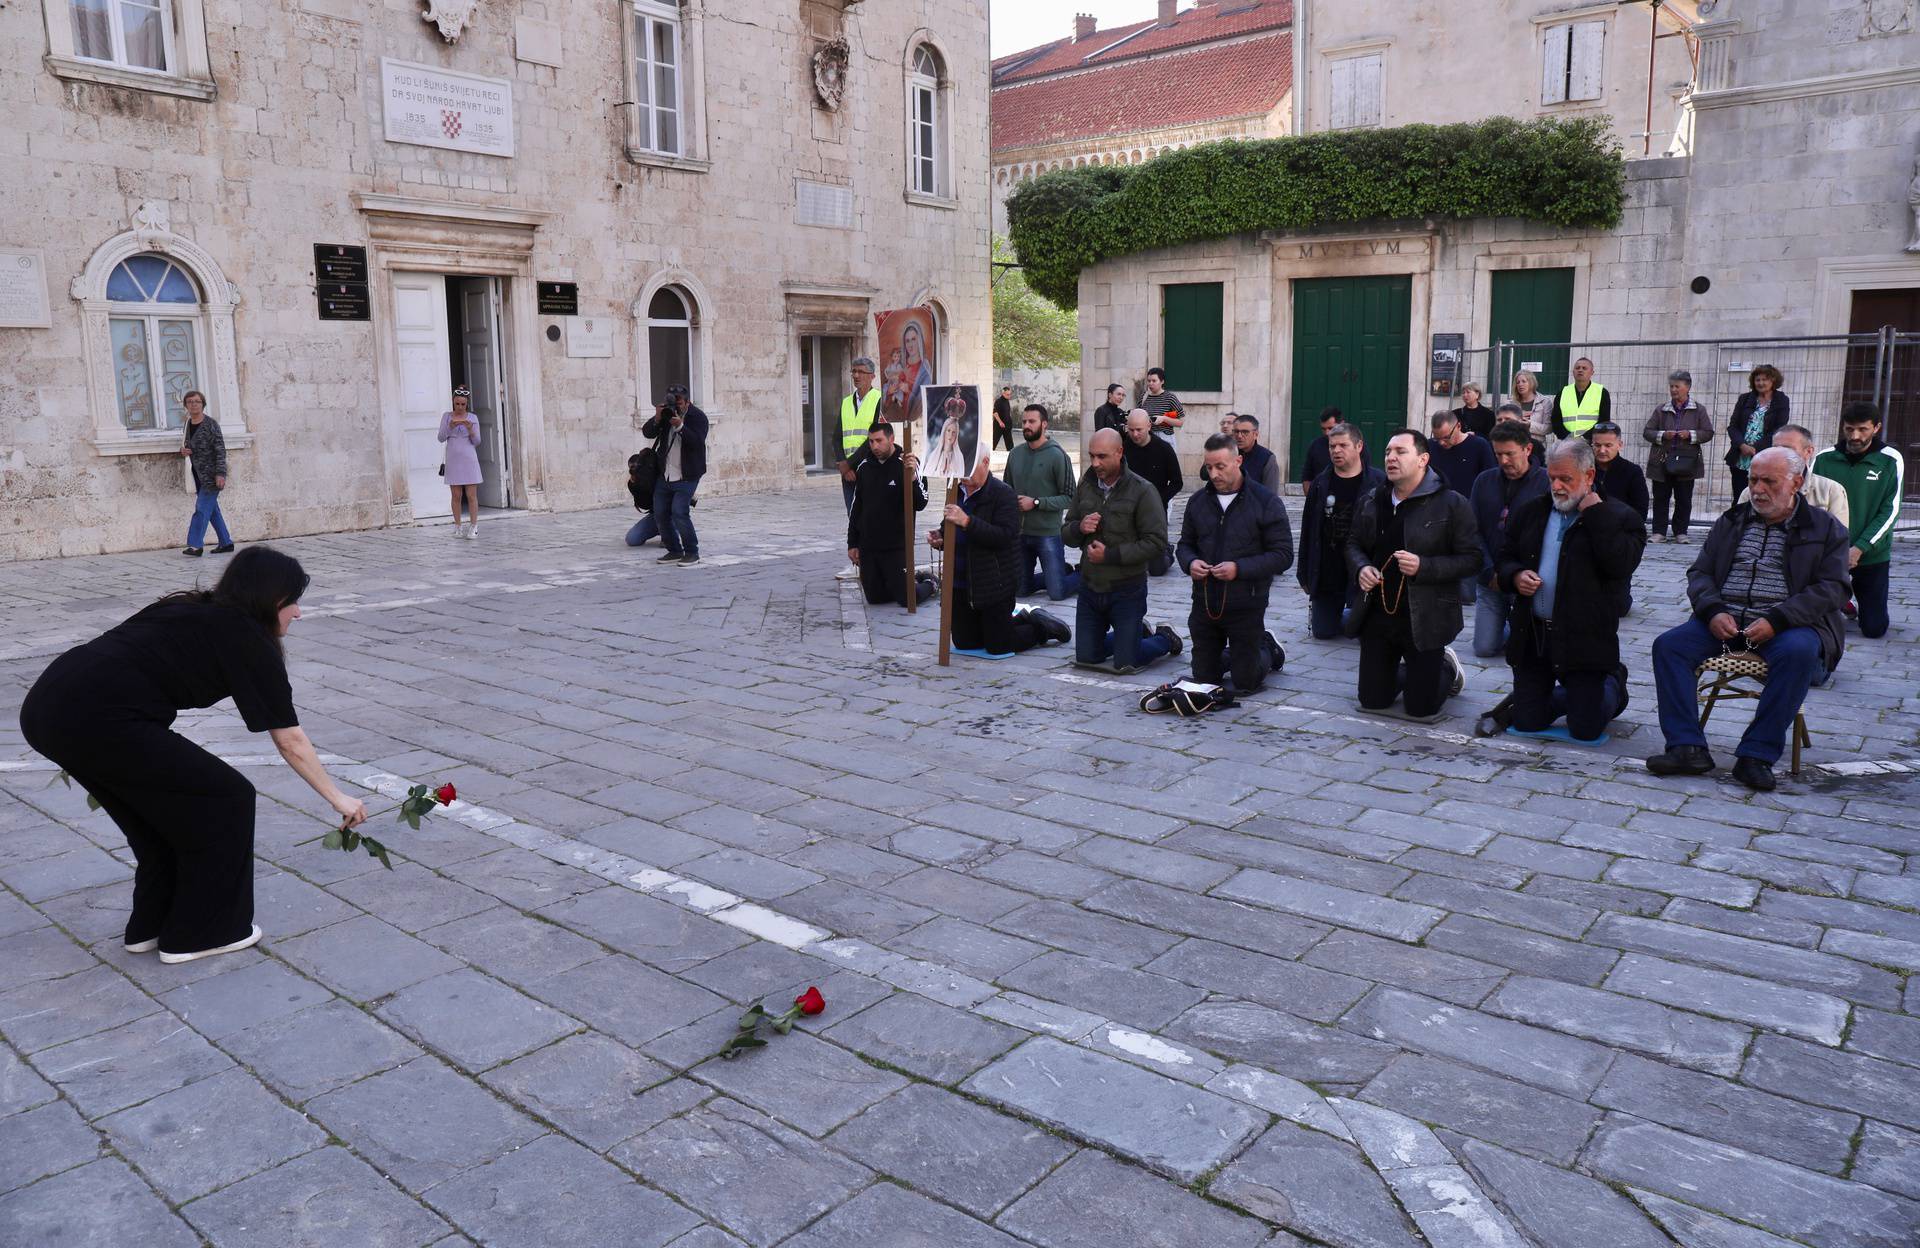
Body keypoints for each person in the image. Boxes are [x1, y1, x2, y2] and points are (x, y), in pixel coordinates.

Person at [18, 547, 368, 963]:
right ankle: (205, 932)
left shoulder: (187, 606)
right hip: (98, 719)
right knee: (228, 798)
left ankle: (151, 926)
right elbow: (289, 739)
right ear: (273, 600)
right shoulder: (245, 636)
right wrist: (337, 797)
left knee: (157, 820)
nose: (298, 613)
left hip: (48, 707)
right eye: (294, 602)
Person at [1647, 447, 1849, 791]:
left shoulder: (1824, 527)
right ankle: (1687, 747)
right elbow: (1700, 573)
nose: (1758, 489)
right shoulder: (1732, 520)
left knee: (1798, 653)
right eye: (1754, 480)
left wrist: (1779, 619)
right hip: (1725, 621)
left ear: (1797, 482)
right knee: (1669, 647)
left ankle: (1755, 756)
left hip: (1788, 626)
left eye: (1769, 481)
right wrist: (1712, 610)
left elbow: (1834, 588)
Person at [1493, 438, 1644, 743]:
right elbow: (1505, 557)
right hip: (1535, 638)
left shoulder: (1621, 517)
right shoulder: (1531, 511)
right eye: (1552, 478)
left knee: (1585, 730)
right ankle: (1565, 697)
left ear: (1589, 476)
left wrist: (1596, 515)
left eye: (1566, 479)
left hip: (1584, 641)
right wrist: (1516, 575)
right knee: (1526, 723)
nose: (1557, 486)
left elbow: (1620, 566)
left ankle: (1613, 682)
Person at [1346, 430, 1478, 717]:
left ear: (1423, 459)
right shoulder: (1372, 498)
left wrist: (1424, 566)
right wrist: (1361, 567)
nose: (1391, 458)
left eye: (1401, 452)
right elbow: (1354, 543)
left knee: (1421, 709)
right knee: (1372, 702)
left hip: (1426, 616)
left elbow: (1472, 559)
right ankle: (1409, 673)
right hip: (1378, 612)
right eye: (1388, 452)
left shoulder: (1452, 503)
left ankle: (1445, 667)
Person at [1177, 435, 1292, 693]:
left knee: (1245, 683)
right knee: (1206, 680)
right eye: (1209, 467)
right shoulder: (1197, 502)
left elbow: (1283, 554)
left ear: (1238, 460)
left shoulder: (1265, 501)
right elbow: (1184, 545)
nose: (1214, 474)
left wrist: (1239, 569)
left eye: (1221, 466)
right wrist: (1190, 563)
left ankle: (1267, 648)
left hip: (1246, 603)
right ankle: (1234, 655)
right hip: (1205, 601)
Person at [928, 454, 1071, 657]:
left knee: (998, 645)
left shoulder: (1003, 494)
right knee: (965, 643)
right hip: (961, 584)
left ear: (986, 462)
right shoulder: (955, 491)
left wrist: (968, 522)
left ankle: (1041, 628)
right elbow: (950, 527)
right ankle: (1017, 620)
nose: (965, 474)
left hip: (994, 583)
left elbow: (1004, 536)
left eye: (970, 466)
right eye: (962, 467)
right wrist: (940, 537)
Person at [1064, 428, 1179, 673]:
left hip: (1127, 589)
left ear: (1119, 453)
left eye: (1102, 456)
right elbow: (1066, 533)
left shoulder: (1142, 490)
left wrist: (1111, 555)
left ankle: (1164, 638)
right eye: (1091, 456)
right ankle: (1134, 633)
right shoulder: (1085, 485)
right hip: (1090, 587)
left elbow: (1156, 542)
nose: (1095, 463)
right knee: (1086, 658)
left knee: (1127, 662)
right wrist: (1079, 527)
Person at [1813, 401, 1902, 641]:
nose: (1855, 435)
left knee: (1874, 629)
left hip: (1871, 554)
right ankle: (1842, 598)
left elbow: (1890, 511)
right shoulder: (1823, 459)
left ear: (1876, 428)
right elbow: (1812, 505)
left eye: (1862, 429)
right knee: (1811, 620)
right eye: (1849, 429)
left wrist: (1860, 548)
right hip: (1829, 553)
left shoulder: (1891, 460)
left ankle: (1851, 597)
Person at [1468, 420, 1548, 658]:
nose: (1503, 461)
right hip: (1490, 578)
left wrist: (1518, 576)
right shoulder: (1484, 481)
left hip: (1527, 580)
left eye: (1510, 454)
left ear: (1528, 449)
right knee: (1484, 648)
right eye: (1498, 454)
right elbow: (1472, 531)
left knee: (1527, 648)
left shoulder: (1546, 483)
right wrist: (1489, 571)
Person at [1298, 422, 1385, 640]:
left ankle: (1360, 615)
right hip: (1328, 566)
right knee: (1323, 633)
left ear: (1359, 446)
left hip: (1363, 566)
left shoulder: (1379, 483)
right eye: (1332, 446)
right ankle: (1346, 616)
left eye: (1343, 445)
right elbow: (1309, 528)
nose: (1336, 451)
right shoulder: (1320, 483)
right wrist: (1304, 573)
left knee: (1363, 633)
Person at [848, 424, 933, 608]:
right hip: (869, 545)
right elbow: (857, 508)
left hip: (896, 546)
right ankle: (908, 579)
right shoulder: (864, 467)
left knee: (906, 598)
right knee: (874, 598)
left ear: (891, 439)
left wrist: (912, 479)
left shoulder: (908, 463)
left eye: (879, 441)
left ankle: (930, 584)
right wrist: (852, 543)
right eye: (871, 441)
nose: (874, 446)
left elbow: (921, 503)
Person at [1003, 404, 1079, 601]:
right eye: (1024, 421)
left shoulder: (1058, 455)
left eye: (1032, 421)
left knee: (1057, 593)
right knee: (1020, 591)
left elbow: (1070, 498)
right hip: (1020, 534)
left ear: (1044, 424)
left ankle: (1082, 575)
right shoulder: (1015, 454)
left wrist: (1036, 502)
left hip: (1048, 534)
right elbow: (1006, 490)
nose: (1027, 425)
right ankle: (1055, 573)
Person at [1642, 370, 1714, 545]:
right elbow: (1647, 432)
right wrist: (1662, 435)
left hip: (1687, 462)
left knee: (1683, 499)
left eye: (1677, 386)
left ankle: (1681, 532)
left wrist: (1690, 435)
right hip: (1661, 462)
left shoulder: (1699, 410)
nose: (1673, 390)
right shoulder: (1661, 410)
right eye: (1671, 386)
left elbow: (1708, 432)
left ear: (1687, 387)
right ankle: (1659, 532)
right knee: (1660, 498)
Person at [640, 383, 708, 566]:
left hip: (687, 475)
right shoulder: (666, 413)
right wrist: (657, 418)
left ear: (687, 402)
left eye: (679, 402)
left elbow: (696, 442)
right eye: (673, 401)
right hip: (666, 474)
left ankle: (692, 552)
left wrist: (680, 427)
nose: (676, 406)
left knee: (679, 513)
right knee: (661, 514)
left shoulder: (698, 417)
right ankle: (674, 551)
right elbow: (647, 432)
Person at [1741, 425, 1847, 533]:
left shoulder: (1830, 491)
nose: (1779, 454)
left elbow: (1837, 539)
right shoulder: (1750, 493)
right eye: (1775, 448)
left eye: (1787, 449)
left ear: (1809, 451)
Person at [835, 357, 885, 579]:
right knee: (853, 518)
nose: (856, 376)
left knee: (870, 518)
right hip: (848, 473)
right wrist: (842, 464)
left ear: (872, 376)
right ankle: (858, 562)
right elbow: (837, 436)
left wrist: (851, 463)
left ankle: (871, 562)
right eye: (853, 371)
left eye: (861, 372)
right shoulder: (846, 402)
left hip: (868, 468)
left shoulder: (879, 401)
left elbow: (874, 439)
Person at [1122, 410, 1184, 576]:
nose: (1135, 434)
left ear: (1149, 426)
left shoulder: (1163, 449)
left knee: (1156, 570)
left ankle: (1166, 551)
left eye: (1139, 430)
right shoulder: (1123, 447)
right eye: (1131, 429)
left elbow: (1177, 482)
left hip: (1155, 512)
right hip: (1128, 510)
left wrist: (1157, 499)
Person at [179, 390, 234, 557]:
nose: (193, 404)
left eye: (197, 401)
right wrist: (183, 450)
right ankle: (226, 543)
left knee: (201, 509)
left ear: (202, 404)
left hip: (212, 476)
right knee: (212, 510)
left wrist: (221, 474)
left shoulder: (211, 424)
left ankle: (195, 545)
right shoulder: (188, 424)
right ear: (186, 405)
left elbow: (220, 450)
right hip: (196, 474)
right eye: (190, 402)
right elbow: (189, 446)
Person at [1725, 364, 1789, 503]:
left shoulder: (1781, 400)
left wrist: (1756, 448)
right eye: (1757, 380)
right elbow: (1733, 426)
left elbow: (1779, 429)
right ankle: (1739, 524)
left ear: (1773, 381)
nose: (1760, 383)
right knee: (1740, 498)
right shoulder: (1744, 399)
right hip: (1741, 457)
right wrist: (1742, 445)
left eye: (1765, 379)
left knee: (1762, 496)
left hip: (1765, 456)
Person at [439, 386, 483, 541]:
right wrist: (450, 426)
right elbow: (441, 437)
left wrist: (470, 429)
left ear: (467, 404)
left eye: (463, 404)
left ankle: (474, 526)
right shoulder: (446, 416)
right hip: (453, 460)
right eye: (457, 404)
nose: (459, 407)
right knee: (456, 495)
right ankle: (457, 526)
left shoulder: (473, 418)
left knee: (471, 495)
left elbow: (477, 441)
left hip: (469, 460)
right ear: (453, 402)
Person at [1589, 422, 1649, 528]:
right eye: (1597, 445)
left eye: (1608, 445)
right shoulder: (1584, 470)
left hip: (1622, 532)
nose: (1602, 450)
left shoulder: (1632, 472)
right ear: (1592, 444)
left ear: (1620, 445)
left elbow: (1640, 511)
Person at [1427, 409, 1495, 499]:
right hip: (1437, 506)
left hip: (1468, 506)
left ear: (1458, 426)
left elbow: (1490, 480)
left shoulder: (1479, 445)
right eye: (1436, 438)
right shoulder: (1430, 445)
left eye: (1446, 437)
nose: (1441, 443)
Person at [1300, 405, 1372, 484]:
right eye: (1323, 429)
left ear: (1342, 423)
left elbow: (1366, 474)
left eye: (1331, 428)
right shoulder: (1315, 445)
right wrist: (1313, 495)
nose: (1327, 433)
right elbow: (1307, 477)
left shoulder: (1357, 446)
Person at [1551, 357, 1611, 441]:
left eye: (1584, 368)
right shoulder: (1562, 393)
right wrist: (1567, 437)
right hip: (1567, 443)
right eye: (1577, 368)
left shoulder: (1602, 392)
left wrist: (1585, 438)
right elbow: (1556, 420)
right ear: (1573, 372)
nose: (1580, 370)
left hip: (1591, 442)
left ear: (1592, 372)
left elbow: (1603, 421)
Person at [1231, 416, 1282, 493]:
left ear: (1255, 434)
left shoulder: (1267, 458)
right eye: (1236, 431)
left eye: (1245, 432)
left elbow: (1271, 494)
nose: (1239, 436)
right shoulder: (1228, 455)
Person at [923, 395, 970, 478]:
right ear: (943, 432)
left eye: (954, 432)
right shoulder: (934, 455)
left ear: (957, 435)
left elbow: (960, 478)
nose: (950, 435)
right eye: (948, 431)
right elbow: (928, 475)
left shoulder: (959, 457)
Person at [1141, 367, 1183, 446]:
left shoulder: (1170, 397)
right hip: (1147, 438)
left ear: (1162, 381)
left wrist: (1164, 419)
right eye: (1149, 381)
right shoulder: (1144, 397)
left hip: (1165, 438)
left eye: (1154, 381)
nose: (1150, 383)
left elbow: (1180, 422)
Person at [1512, 371, 1555, 447]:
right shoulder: (1512, 404)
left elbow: (1549, 428)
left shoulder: (1544, 402)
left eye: (1524, 381)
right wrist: (1517, 419)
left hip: (1537, 446)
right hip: (1516, 445)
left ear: (1531, 383)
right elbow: (1505, 425)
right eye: (1518, 382)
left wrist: (1530, 425)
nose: (1520, 384)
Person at [991, 384, 1015, 453]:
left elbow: (1007, 412)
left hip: (1007, 426)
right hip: (999, 426)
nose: (1009, 396)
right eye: (1007, 394)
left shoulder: (1007, 401)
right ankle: (989, 453)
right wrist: (1000, 422)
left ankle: (1012, 455)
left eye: (1010, 394)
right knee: (994, 441)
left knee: (1009, 443)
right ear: (1003, 393)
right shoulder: (998, 401)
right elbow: (995, 413)